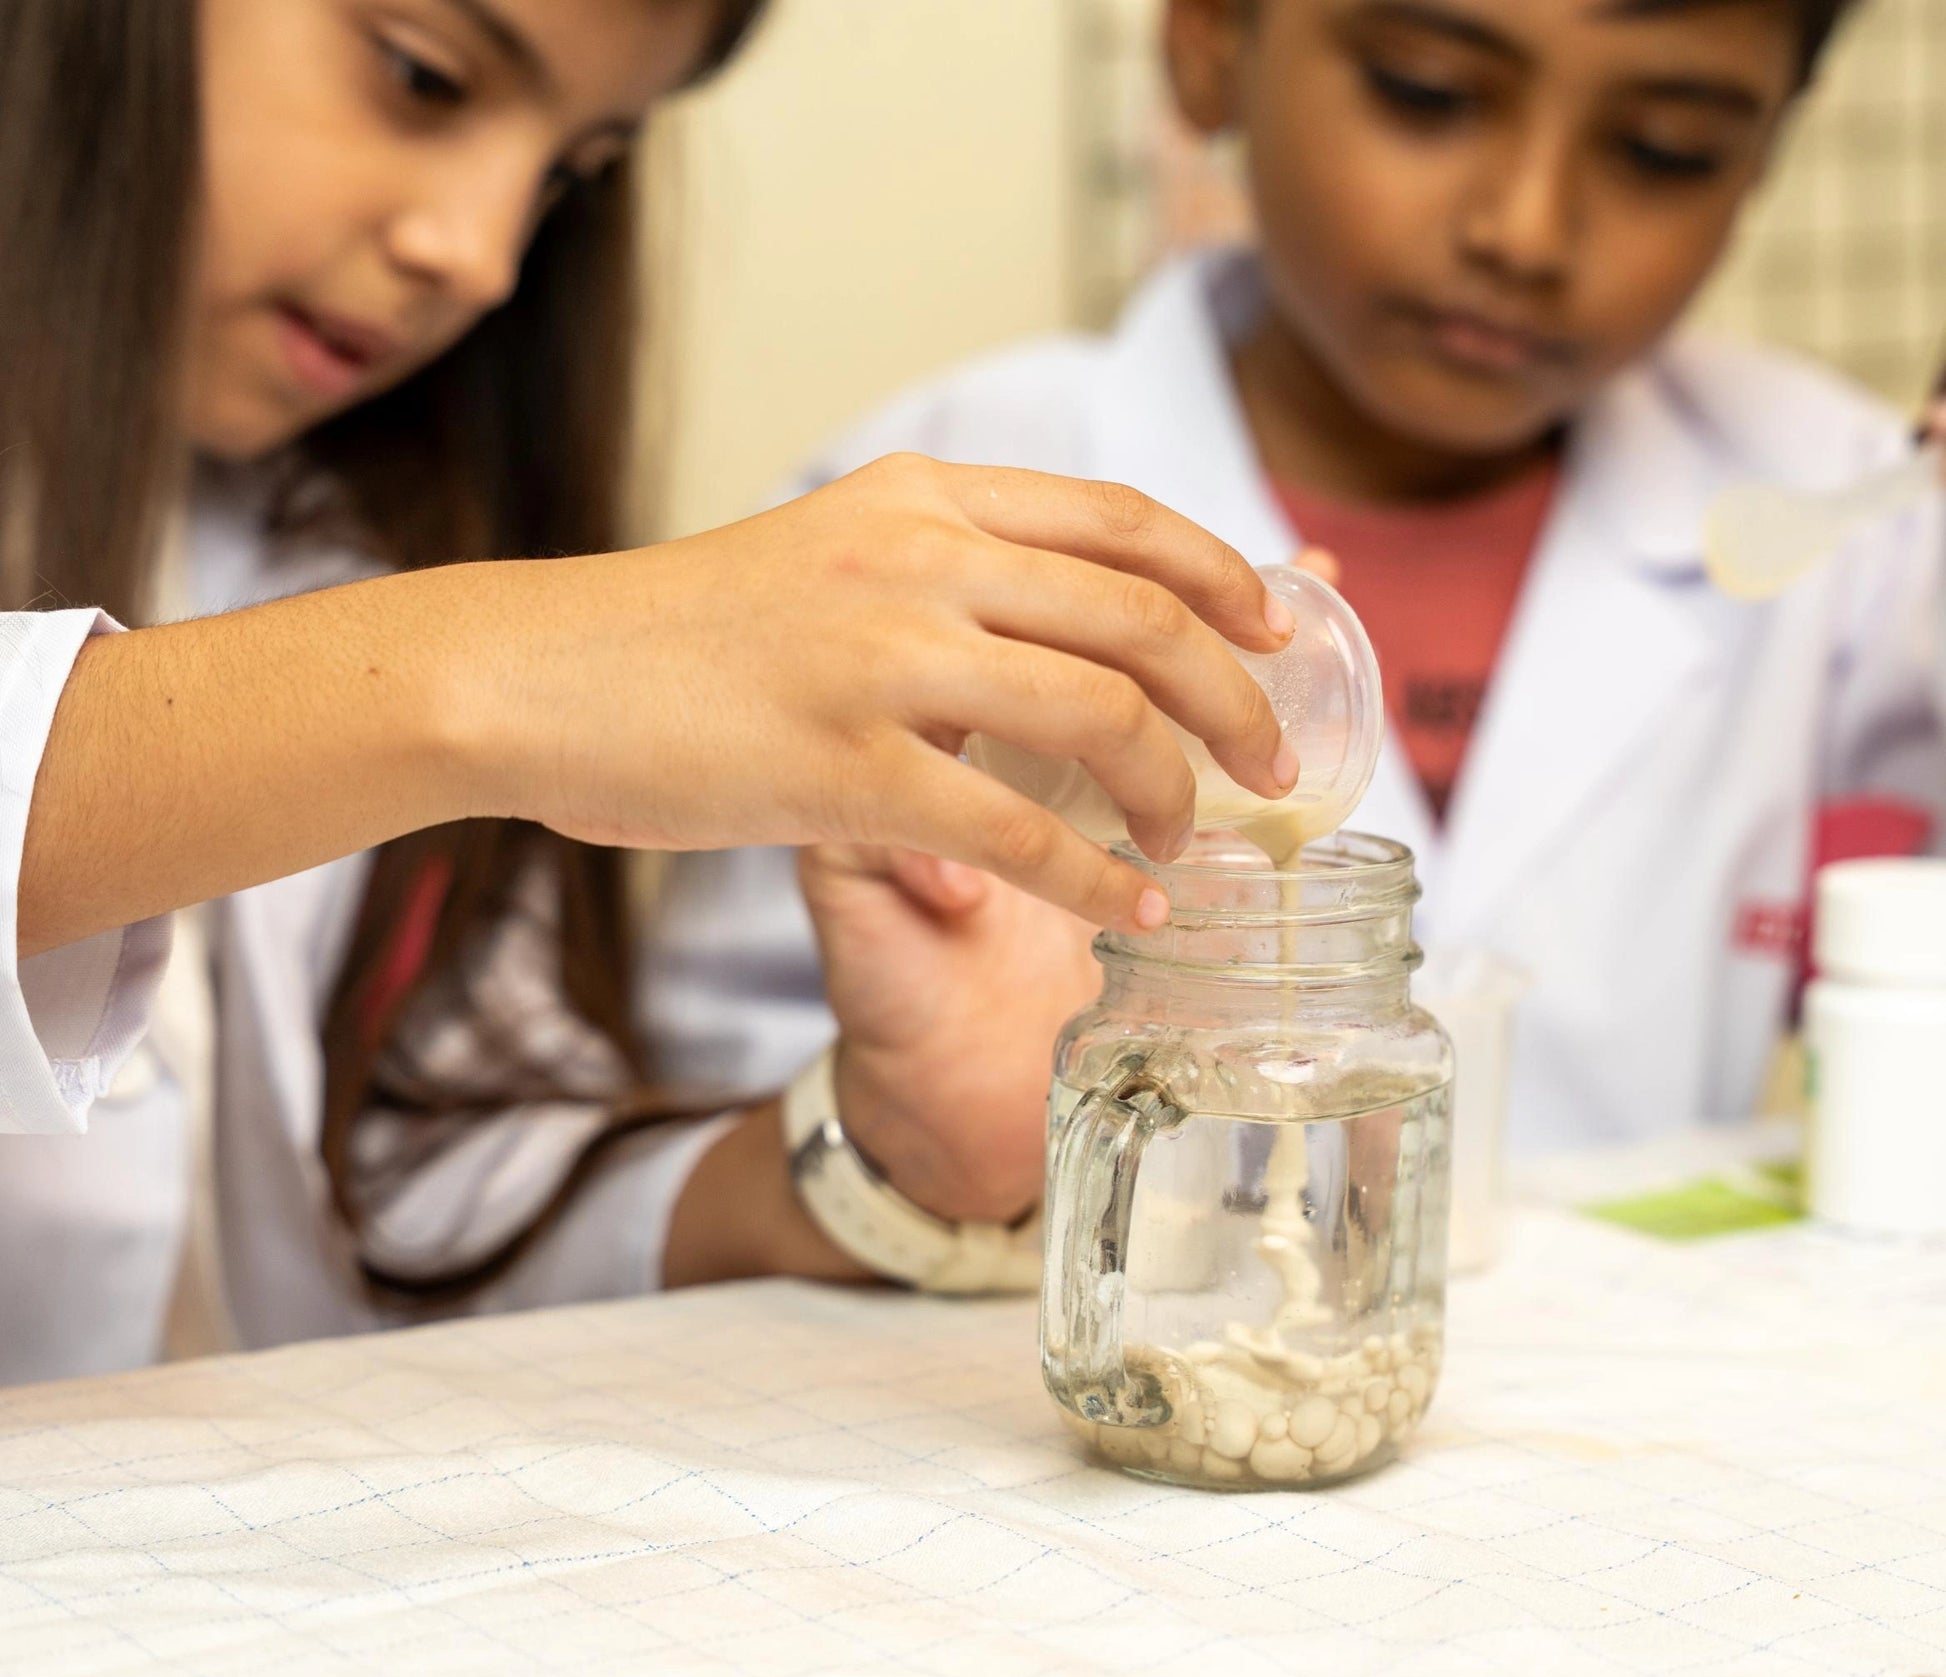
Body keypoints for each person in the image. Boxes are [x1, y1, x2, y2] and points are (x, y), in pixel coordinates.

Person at [0, 0, 1301, 1377]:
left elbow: (429, 1204)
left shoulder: (334, 502)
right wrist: (502, 672)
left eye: (570, 168)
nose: (481, 254)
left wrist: (883, 1156)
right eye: (421, 76)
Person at [790, 0, 1946, 1156]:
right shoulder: (920, 517)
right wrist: (894, 1169)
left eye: (1663, 150)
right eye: (1426, 89)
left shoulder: (1857, 525)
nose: (1525, 230)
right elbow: (652, 1172)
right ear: (1207, 41)